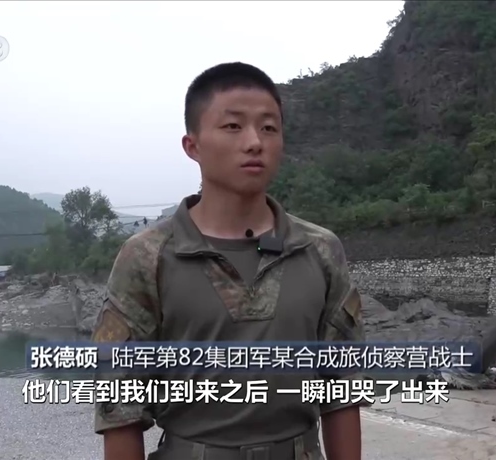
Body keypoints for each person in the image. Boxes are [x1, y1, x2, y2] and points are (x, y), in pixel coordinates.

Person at [92, 62, 368, 460]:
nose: (255, 142)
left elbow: (342, 387)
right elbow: (120, 406)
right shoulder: (148, 255)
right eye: (233, 126)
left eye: (269, 128)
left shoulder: (320, 249)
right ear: (192, 146)